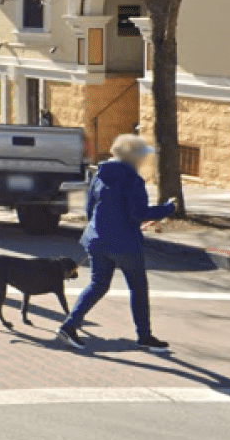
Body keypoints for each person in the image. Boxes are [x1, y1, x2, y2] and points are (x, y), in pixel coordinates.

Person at [58, 134, 177, 353]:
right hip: (124, 243)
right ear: (133, 157)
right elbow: (138, 213)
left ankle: (70, 325)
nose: (143, 161)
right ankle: (144, 336)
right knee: (138, 288)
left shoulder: (100, 175)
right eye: (142, 156)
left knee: (97, 285)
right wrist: (167, 209)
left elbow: (90, 209)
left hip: (97, 239)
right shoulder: (133, 180)